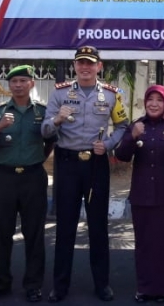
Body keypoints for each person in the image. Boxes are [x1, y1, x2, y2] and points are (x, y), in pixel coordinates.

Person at [42, 46, 129, 303]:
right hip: (67, 164)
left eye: (90, 63)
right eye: (81, 63)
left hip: (95, 165)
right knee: (65, 226)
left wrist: (109, 145)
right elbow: (45, 130)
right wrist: (57, 119)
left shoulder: (112, 95)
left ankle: (102, 284)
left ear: (99, 66)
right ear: (75, 65)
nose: (85, 67)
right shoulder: (60, 93)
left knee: (98, 226)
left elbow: (123, 125)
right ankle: (60, 286)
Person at [0, 65, 52, 303]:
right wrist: (0, 126)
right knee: (2, 233)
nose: (18, 85)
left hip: (33, 178)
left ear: (32, 83)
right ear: (9, 85)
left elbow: (50, 140)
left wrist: (37, 159)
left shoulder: (42, 111)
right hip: (4, 178)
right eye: (14, 81)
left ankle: (33, 285)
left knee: (34, 233)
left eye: (23, 80)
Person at [114, 85, 164, 303]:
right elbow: (122, 156)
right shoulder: (137, 126)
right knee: (145, 244)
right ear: (145, 102)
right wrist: (131, 136)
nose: (154, 104)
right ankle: (145, 288)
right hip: (142, 196)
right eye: (150, 99)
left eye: (159, 100)